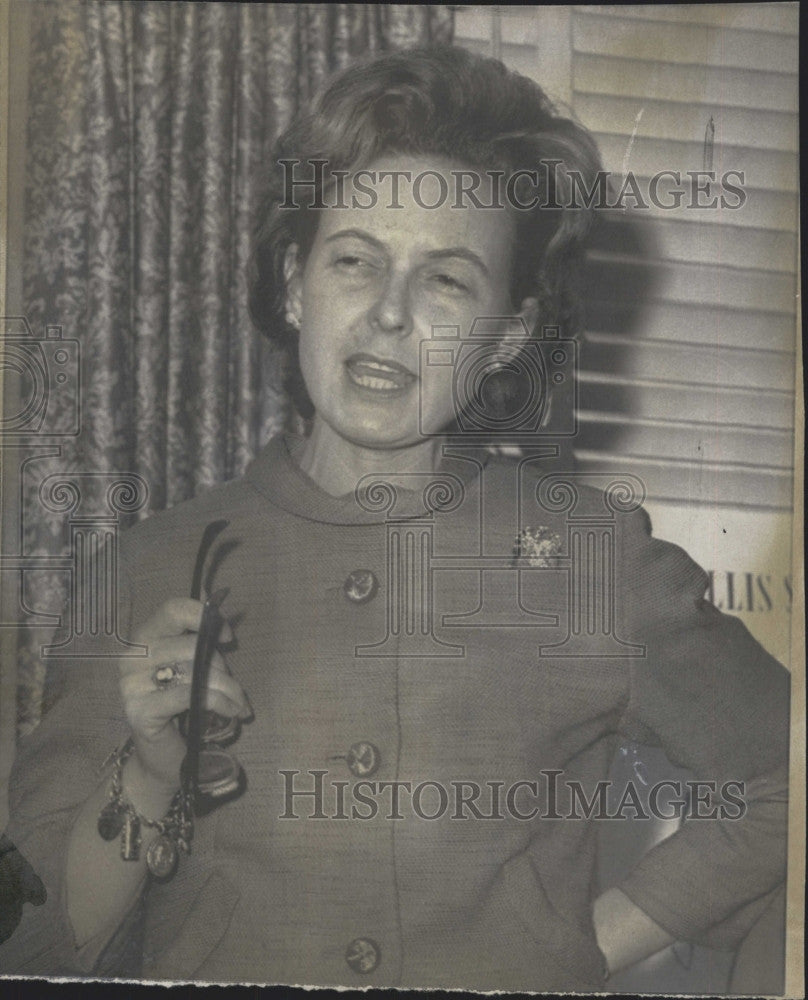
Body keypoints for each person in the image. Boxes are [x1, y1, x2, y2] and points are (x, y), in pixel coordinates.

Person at [0, 45, 789, 992]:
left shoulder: (595, 563)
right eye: (354, 262)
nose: (389, 316)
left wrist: (584, 946)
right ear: (294, 284)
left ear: (509, 335)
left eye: (447, 281)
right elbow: (30, 944)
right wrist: (151, 770)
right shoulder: (138, 570)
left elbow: (787, 773)